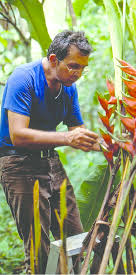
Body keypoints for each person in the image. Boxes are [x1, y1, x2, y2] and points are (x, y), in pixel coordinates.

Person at [0, 30, 100, 274]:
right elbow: (18, 135)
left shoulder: (68, 88)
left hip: (51, 162)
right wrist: (67, 138)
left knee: (75, 236)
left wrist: (110, 145)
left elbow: (77, 130)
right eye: (73, 66)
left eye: (82, 68)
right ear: (54, 59)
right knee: (38, 248)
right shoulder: (24, 78)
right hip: (18, 165)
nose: (77, 74)